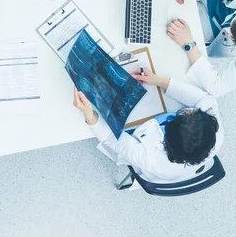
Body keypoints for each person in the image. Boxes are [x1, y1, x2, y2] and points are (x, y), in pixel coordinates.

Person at [72, 66, 223, 184]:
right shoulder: (214, 131)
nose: (186, 110)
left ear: (167, 134)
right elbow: (204, 99)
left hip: (148, 160)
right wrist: (157, 81)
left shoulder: (151, 159)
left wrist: (89, 114)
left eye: (181, 115)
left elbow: (111, 138)